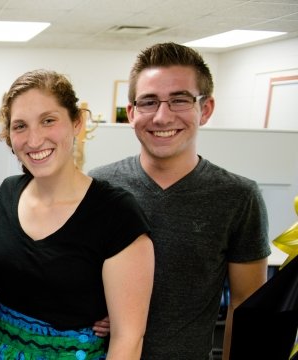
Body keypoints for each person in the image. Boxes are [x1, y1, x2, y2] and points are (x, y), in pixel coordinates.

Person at [89, 42, 271, 359]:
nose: (162, 116)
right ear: (131, 113)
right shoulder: (97, 186)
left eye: (179, 100)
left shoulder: (238, 197)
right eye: (148, 102)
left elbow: (246, 305)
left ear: (207, 108)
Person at [0, 69, 155, 359]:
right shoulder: (8, 192)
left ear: (76, 122)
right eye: (20, 126)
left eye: (48, 121)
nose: (34, 139)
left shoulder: (115, 212)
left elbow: (128, 339)